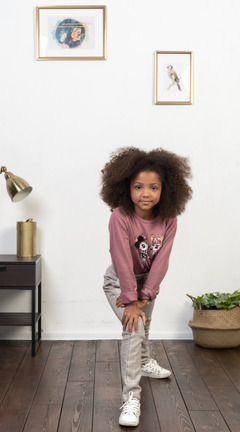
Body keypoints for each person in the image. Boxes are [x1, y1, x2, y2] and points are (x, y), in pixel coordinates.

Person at [100, 147, 192, 427]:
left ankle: (143, 361)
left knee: (145, 323)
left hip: (147, 281)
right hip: (120, 280)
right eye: (138, 187)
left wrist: (147, 293)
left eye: (154, 187)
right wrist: (130, 300)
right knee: (134, 327)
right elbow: (121, 258)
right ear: (125, 187)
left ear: (166, 189)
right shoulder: (120, 216)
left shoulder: (169, 219)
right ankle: (131, 398)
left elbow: (162, 260)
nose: (145, 194)